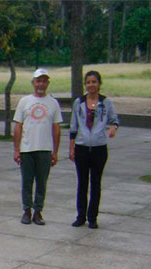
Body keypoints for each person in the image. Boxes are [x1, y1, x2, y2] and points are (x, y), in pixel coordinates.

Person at [69, 70, 119, 229]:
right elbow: (73, 126)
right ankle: (80, 215)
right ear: (85, 84)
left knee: (96, 183)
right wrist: (72, 148)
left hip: (98, 148)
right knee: (82, 182)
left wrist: (113, 128)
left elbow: (114, 120)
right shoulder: (79, 103)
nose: (91, 85)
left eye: (94, 82)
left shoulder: (106, 103)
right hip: (82, 147)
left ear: (99, 84)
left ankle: (92, 217)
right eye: (88, 82)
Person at [13, 68, 62, 226]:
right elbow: (18, 126)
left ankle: (38, 211)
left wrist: (55, 151)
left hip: (44, 149)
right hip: (27, 149)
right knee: (27, 181)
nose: (41, 84)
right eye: (38, 80)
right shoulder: (24, 101)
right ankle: (26, 210)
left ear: (48, 83)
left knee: (42, 182)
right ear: (33, 83)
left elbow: (56, 128)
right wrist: (16, 149)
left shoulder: (53, 103)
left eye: (44, 81)